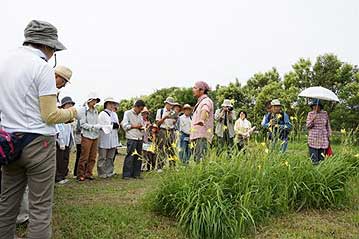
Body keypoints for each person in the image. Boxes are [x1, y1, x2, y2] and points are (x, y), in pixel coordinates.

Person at [0, 20, 77, 239]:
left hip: (9, 142)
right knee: (40, 207)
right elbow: (50, 115)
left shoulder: (4, 64)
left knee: (7, 202)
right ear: (48, 46)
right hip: (39, 143)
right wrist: (72, 114)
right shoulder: (42, 68)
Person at [77, 92, 101, 181]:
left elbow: (96, 122)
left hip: (95, 136)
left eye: (96, 101)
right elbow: (82, 124)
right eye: (93, 100)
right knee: (84, 156)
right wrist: (93, 127)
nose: (94, 102)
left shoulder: (96, 110)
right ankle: (80, 174)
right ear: (89, 100)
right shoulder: (83, 110)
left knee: (93, 156)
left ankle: (89, 173)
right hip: (86, 136)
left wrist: (98, 126)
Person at [121, 100, 146, 179]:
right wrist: (135, 126)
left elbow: (141, 125)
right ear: (136, 106)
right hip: (131, 137)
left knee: (138, 156)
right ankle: (126, 174)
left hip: (139, 137)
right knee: (130, 156)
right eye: (140, 109)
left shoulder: (140, 115)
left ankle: (136, 174)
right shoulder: (127, 113)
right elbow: (124, 126)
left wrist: (143, 127)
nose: (141, 111)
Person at [190, 81, 214, 162]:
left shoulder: (206, 101)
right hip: (197, 136)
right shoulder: (200, 102)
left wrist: (202, 120)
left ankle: (203, 175)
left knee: (201, 161)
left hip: (202, 136)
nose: (193, 89)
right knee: (197, 160)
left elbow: (205, 110)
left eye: (195, 88)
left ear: (202, 90)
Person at [97, 97, 119, 178]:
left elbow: (117, 124)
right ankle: (102, 173)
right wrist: (112, 125)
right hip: (104, 137)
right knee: (102, 156)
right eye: (110, 103)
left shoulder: (114, 114)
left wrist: (116, 125)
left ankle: (109, 171)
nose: (112, 105)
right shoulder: (102, 114)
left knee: (110, 156)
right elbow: (101, 125)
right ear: (106, 104)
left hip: (113, 137)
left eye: (113, 104)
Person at [55, 97, 76, 184]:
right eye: (68, 104)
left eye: (71, 104)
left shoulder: (69, 116)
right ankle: (58, 177)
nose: (70, 106)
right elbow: (58, 128)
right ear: (63, 105)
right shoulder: (60, 114)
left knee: (65, 159)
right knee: (59, 159)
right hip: (61, 141)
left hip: (67, 141)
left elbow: (70, 130)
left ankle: (63, 176)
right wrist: (61, 141)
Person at [155, 97, 178, 171]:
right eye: (169, 104)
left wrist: (175, 119)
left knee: (171, 148)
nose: (171, 106)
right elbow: (157, 123)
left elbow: (174, 123)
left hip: (171, 131)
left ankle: (173, 166)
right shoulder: (160, 111)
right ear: (166, 104)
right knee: (161, 148)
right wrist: (165, 117)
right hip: (162, 130)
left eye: (172, 105)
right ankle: (160, 166)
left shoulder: (173, 112)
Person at [306, 99, 332, 165]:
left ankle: (321, 172)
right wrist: (312, 119)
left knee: (322, 159)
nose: (316, 107)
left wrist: (329, 134)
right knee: (314, 160)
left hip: (323, 139)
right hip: (313, 139)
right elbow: (308, 126)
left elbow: (327, 125)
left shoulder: (325, 113)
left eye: (317, 106)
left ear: (320, 106)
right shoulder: (310, 114)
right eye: (314, 106)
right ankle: (315, 173)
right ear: (312, 107)